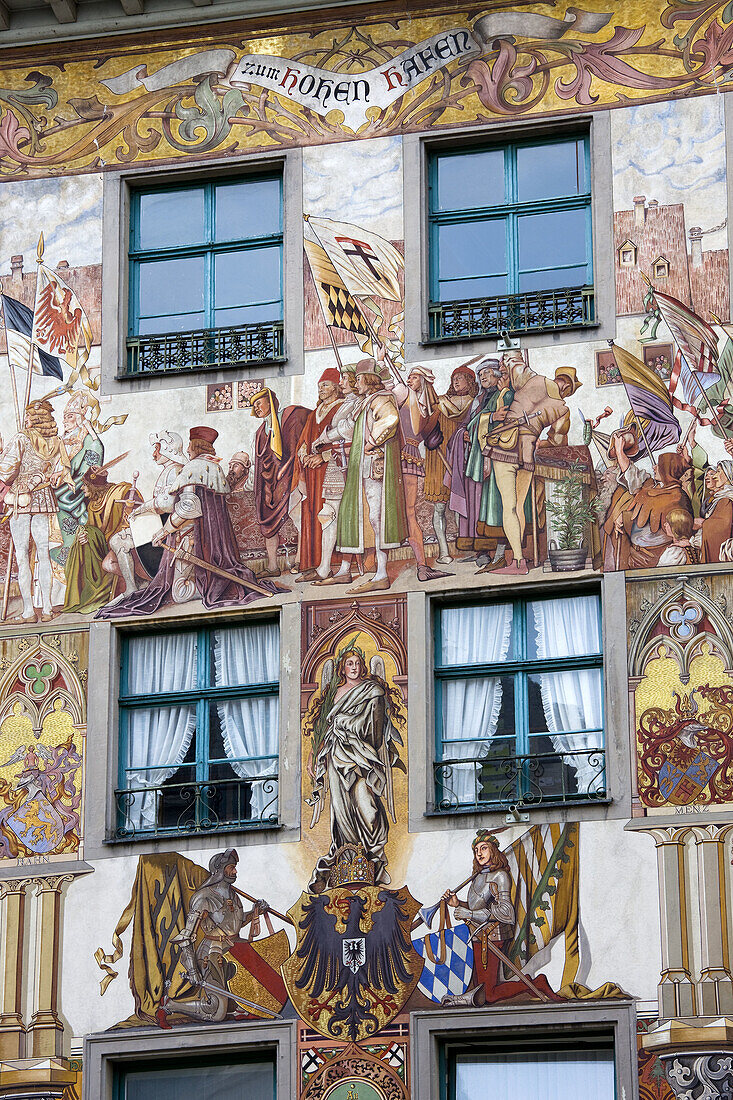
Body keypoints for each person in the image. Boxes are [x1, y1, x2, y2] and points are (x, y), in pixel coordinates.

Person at [97, 426, 282, 618]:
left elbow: (189, 507)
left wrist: (165, 530)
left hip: (191, 538)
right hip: (211, 540)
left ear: (196, 446)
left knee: (179, 593)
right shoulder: (215, 468)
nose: (187, 450)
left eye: (190, 446)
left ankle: (219, 588)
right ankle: (209, 585)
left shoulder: (193, 468)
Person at [304, 646, 405, 893]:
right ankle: (349, 860)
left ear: (364, 667)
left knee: (367, 806)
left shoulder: (372, 691)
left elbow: (376, 726)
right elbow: (321, 730)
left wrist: (346, 724)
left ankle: (375, 859)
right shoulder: (333, 694)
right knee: (341, 810)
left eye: (358, 663)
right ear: (342, 668)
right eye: (349, 663)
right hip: (337, 757)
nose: (354, 667)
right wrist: (313, 754)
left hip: (364, 757)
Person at [157, 849, 279, 1026]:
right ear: (220, 870)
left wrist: (255, 911)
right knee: (217, 1013)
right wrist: (193, 971)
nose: (235, 871)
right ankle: (170, 1005)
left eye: (234, 868)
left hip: (237, 949)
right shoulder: (204, 898)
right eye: (231, 868)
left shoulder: (234, 895)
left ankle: (238, 1007)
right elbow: (186, 937)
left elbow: (234, 924)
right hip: (213, 953)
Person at [440, 831, 560, 1007]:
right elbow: (478, 908)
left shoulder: (500, 876)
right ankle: (530, 983)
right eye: (476, 850)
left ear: (493, 851)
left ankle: (535, 984)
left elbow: (506, 912)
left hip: (492, 936)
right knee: (480, 989)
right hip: (476, 935)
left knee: (488, 995)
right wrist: (459, 904)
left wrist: (469, 914)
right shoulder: (476, 877)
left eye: (484, 848)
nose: (479, 853)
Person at [481, 353, 570, 574]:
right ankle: (518, 560)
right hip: (528, 451)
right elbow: (556, 440)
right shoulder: (563, 409)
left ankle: (518, 562)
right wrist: (540, 441)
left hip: (506, 445)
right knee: (517, 506)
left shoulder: (535, 379)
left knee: (509, 507)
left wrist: (508, 358)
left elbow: (513, 363)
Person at [328, 361, 408, 593]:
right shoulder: (365, 402)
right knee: (356, 515)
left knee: (376, 517)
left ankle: (381, 574)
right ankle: (346, 571)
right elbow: (351, 428)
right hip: (360, 467)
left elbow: (390, 420)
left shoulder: (381, 399)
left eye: (360, 379)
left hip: (375, 467)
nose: (356, 383)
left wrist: (372, 441)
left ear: (370, 380)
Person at [0, 400, 73, 623]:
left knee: (22, 557)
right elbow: (61, 470)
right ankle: (48, 609)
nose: (26, 419)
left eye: (28, 416)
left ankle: (29, 612)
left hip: (22, 499)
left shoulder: (22, 438)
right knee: (42, 555)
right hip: (43, 499)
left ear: (34, 418)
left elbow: (6, 470)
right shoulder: (56, 442)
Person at [445, 359, 511, 563]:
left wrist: (487, 419)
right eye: (480, 373)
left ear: (497, 376)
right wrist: (463, 433)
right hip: (474, 459)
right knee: (474, 505)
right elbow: (467, 425)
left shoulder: (505, 396)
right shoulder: (478, 400)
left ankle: (498, 552)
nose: (483, 377)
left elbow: (504, 422)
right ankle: (480, 551)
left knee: (492, 505)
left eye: (487, 373)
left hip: (494, 458)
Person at [108, 431, 186, 596]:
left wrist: (140, 510)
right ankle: (139, 584)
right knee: (116, 540)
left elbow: (167, 503)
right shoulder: (170, 469)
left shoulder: (175, 471)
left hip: (170, 530)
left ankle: (132, 588)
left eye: (157, 449)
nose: (154, 454)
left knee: (118, 541)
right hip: (162, 523)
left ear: (167, 449)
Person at [392, 365, 450, 581]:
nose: (410, 380)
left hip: (407, 454)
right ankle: (421, 566)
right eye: (408, 377)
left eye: (414, 377)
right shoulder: (411, 399)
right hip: (403, 454)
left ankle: (422, 566)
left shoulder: (425, 407)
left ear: (424, 381)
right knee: (405, 512)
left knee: (408, 512)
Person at [63, 466, 141, 614]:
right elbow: (95, 531)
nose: (83, 488)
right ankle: (138, 582)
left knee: (107, 564)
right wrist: (86, 536)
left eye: (85, 485)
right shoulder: (93, 505)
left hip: (129, 541)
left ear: (93, 486)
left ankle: (135, 584)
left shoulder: (119, 492)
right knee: (102, 559)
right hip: (109, 546)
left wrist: (130, 510)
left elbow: (136, 509)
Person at [290, 368, 343, 582]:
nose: (321, 389)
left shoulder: (341, 409)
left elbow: (346, 442)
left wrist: (323, 456)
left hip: (333, 472)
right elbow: (303, 441)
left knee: (329, 516)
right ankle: (315, 564)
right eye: (320, 385)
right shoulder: (315, 413)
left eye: (326, 385)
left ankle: (332, 564)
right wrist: (304, 455)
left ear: (337, 387)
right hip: (313, 474)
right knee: (312, 514)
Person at [250, 388, 309, 577]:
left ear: (270, 401)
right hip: (270, 485)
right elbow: (260, 462)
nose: (256, 408)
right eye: (253, 406)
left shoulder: (291, 415)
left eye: (259, 403)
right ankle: (273, 566)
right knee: (268, 525)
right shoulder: (260, 432)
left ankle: (301, 560)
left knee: (299, 518)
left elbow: (302, 439)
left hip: (290, 477)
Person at [310, 363, 361, 584]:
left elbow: (348, 429)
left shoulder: (358, 402)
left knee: (347, 516)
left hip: (351, 462)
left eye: (346, 379)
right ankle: (324, 568)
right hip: (338, 463)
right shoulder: (348, 403)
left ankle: (344, 569)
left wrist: (322, 439)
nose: (342, 383)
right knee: (329, 515)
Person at [603, 447, 693, 569]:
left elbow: (683, 525)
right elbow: (632, 478)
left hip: (657, 555)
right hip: (635, 552)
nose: (654, 467)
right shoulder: (654, 489)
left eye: (659, 465)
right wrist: (623, 517)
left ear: (667, 470)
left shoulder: (678, 497)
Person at [424, 364, 478, 564]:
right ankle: (444, 552)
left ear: (470, 382)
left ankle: (467, 550)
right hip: (439, 460)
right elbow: (426, 427)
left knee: (461, 507)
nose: (456, 381)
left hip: (462, 460)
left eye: (461, 378)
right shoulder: (440, 402)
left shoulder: (475, 404)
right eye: (454, 378)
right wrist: (431, 436)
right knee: (440, 508)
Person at [53, 391, 104, 559]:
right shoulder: (63, 439)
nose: (64, 421)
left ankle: (70, 547)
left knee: (62, 499)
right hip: (62, 480)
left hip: (80, 483)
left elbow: (89, 466)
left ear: (79, 418)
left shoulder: (87, 439)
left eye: (69, 417)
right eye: (64, 417)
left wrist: (64, 476)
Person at [699, 460, 733, 563]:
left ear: (727, 473)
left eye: (718, 472)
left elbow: (720, 527)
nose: (714, 476)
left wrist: (703, 524)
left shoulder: (726, 499)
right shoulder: (720, 497)